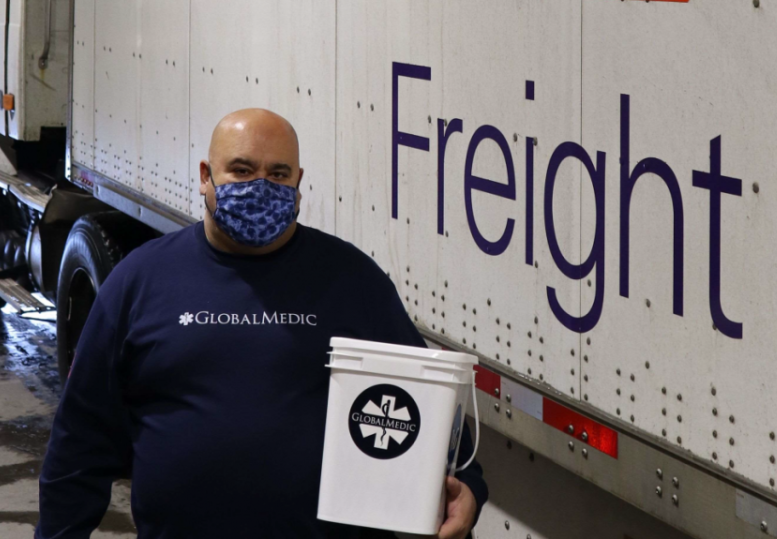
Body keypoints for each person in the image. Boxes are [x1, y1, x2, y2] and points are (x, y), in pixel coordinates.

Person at [37, 108, 487, 538]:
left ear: (299, 183)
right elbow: (81, 438)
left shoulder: (352, 281)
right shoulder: (139, 281)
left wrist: (469, 490)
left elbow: (430, 409)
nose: (260, 186)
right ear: (204, 176)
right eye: (241, 169)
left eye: (278, 174)